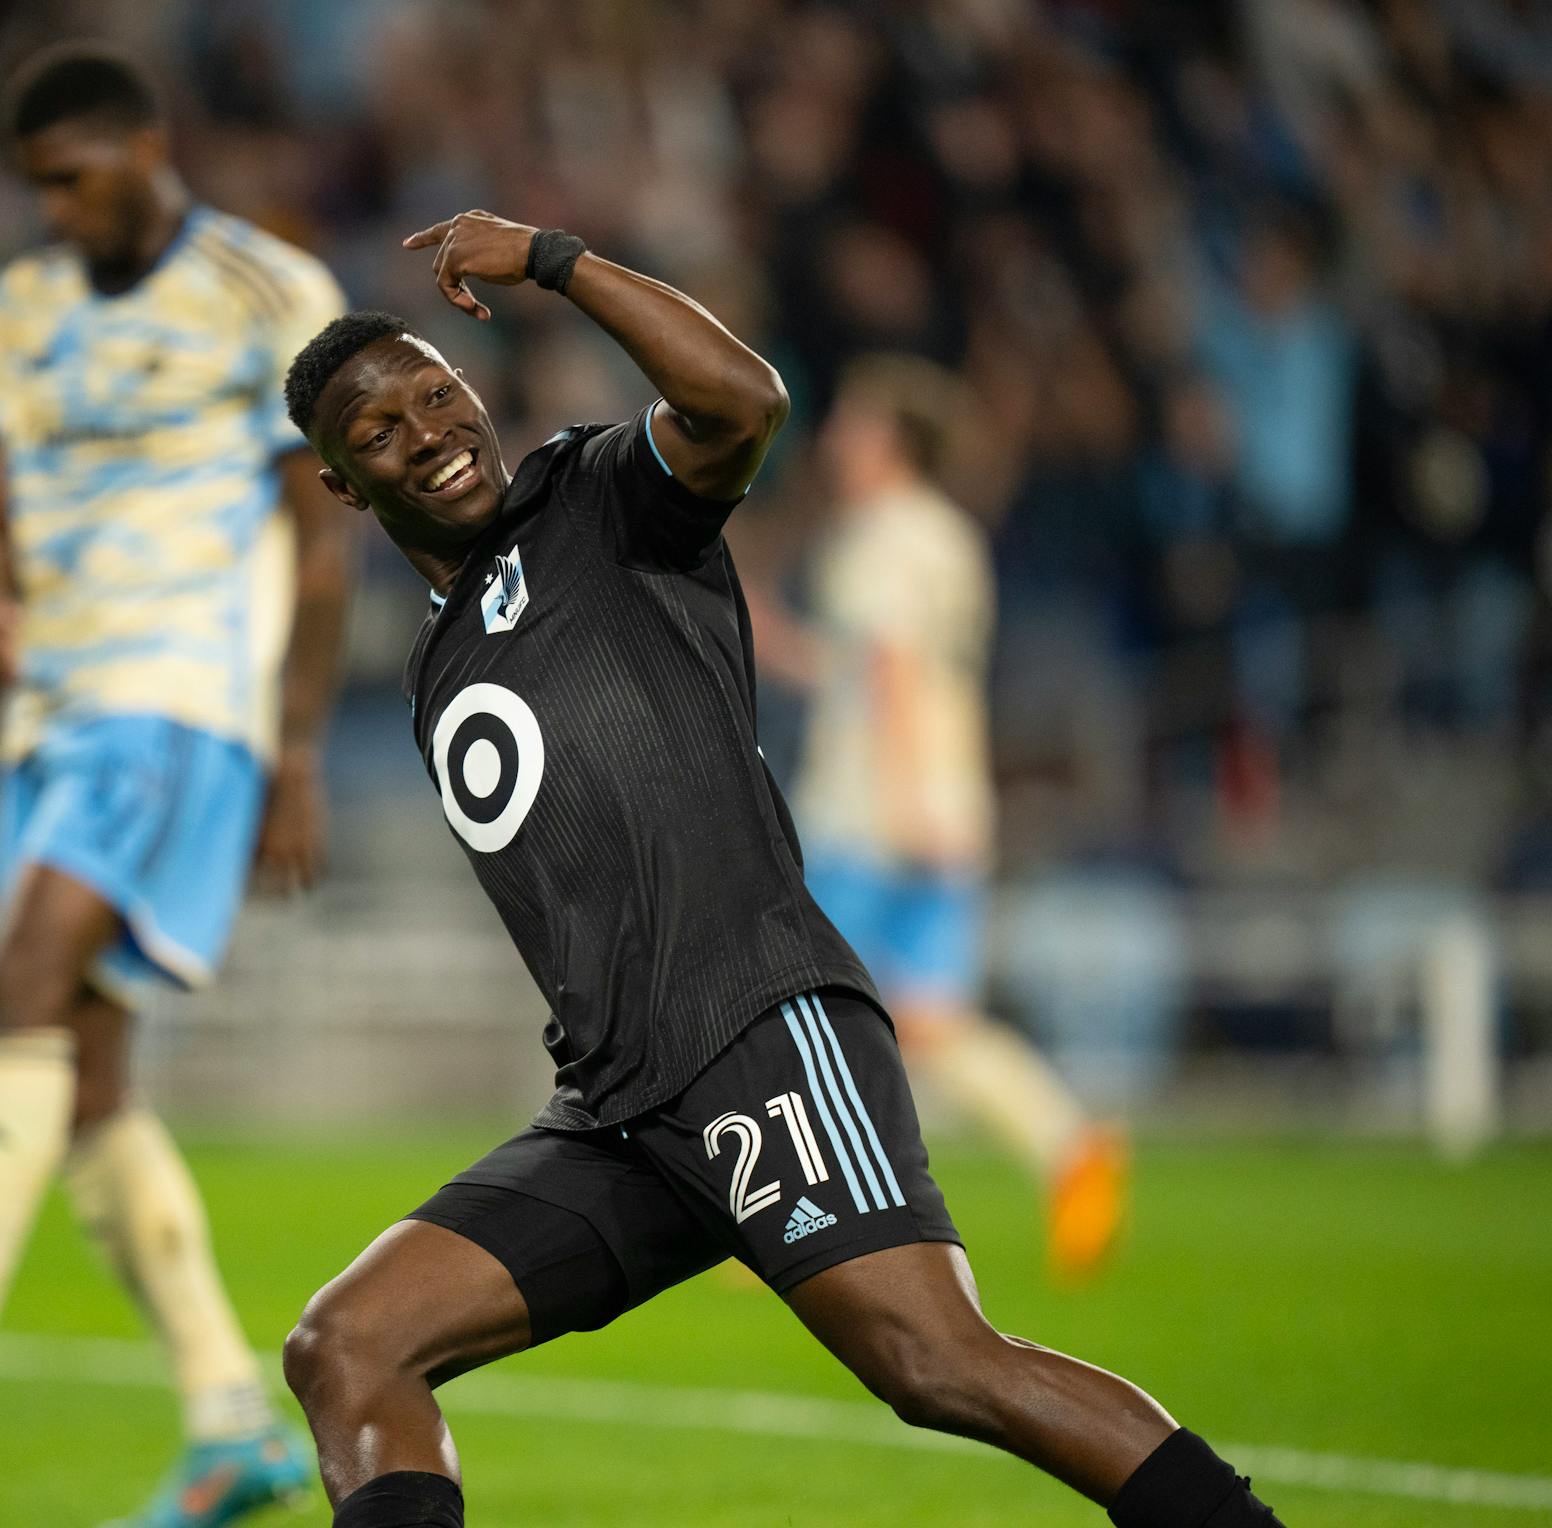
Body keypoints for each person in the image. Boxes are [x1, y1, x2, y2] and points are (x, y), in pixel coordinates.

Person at [273, 211, 1283, 1528]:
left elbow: (743, 400)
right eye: (383, 431)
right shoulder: (436, 662)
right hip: (620, 1105)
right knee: (346, 1345)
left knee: (938, 1364)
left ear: (476, 387)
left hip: (755, 1025)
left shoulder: (596, 497)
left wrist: (559, 263)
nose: (431, 431)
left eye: (438, 392)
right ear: (346, 485)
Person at [0, 45, 350, 1528]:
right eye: (35, 185)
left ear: (146, 146)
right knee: (87, 1078)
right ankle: (231, 1420)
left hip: (178, 701)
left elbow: (329, 539)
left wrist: (295, 747)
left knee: (15, 978)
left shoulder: (267, 289)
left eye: (74, 175)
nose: (55, 207)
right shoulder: (12, 311)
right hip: (51, 716)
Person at [758, 354, 1126, 1282]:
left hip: (875, 812)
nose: (836, 439)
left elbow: (890, 674)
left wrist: (906, 797)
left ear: (889, 442)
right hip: (942, 800)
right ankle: (1068, 1143)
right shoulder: (946, 538)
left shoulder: (882, 537)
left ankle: (783, 1209)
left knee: (801, 1006)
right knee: (922, 1018)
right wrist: (775, 642)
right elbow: (873, 670)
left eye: (850, 422)